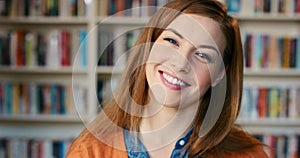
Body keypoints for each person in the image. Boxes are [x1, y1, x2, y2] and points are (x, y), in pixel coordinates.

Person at [66, 0, 270, 157]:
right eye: (172, 41)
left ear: (219, 75)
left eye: (202, 55)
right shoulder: (89, 151)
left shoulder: (249, 154)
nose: (180, 64)